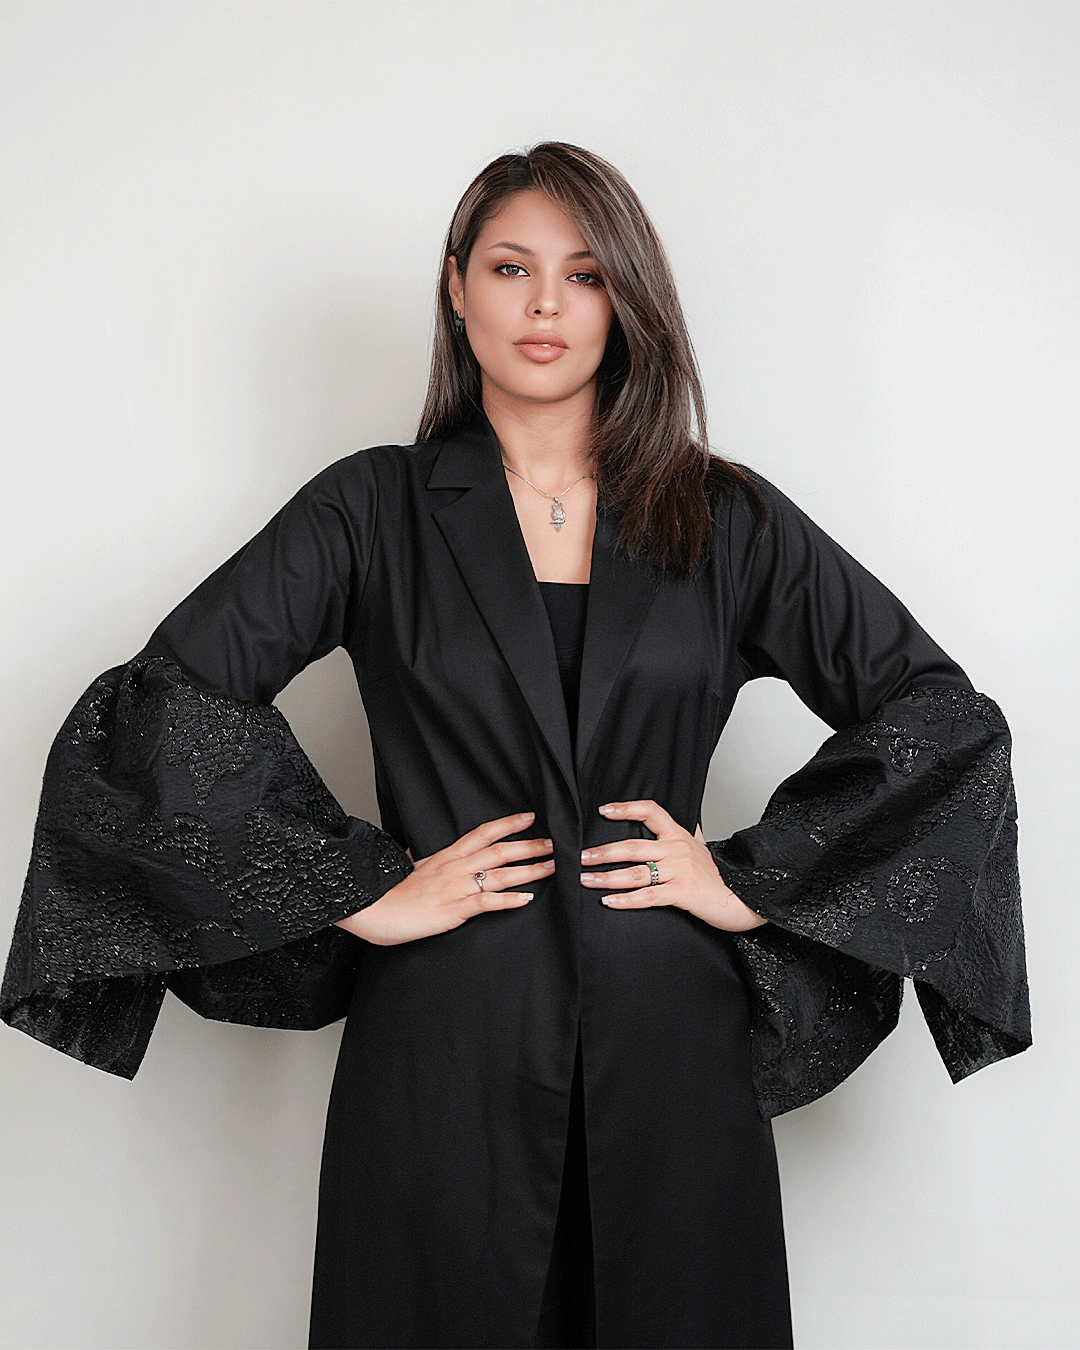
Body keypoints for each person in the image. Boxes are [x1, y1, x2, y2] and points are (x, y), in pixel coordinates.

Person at [1, 143, 1029, 1350]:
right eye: (510, 268)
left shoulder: (724, 517)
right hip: (446, 1041)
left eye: (585, 275)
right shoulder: (371, 508)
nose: (546, 305)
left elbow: (939, 719)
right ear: (456, 286)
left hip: (673, 1045)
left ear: (626, 301)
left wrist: (747, 881)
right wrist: (361, 888)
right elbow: (157, 708)